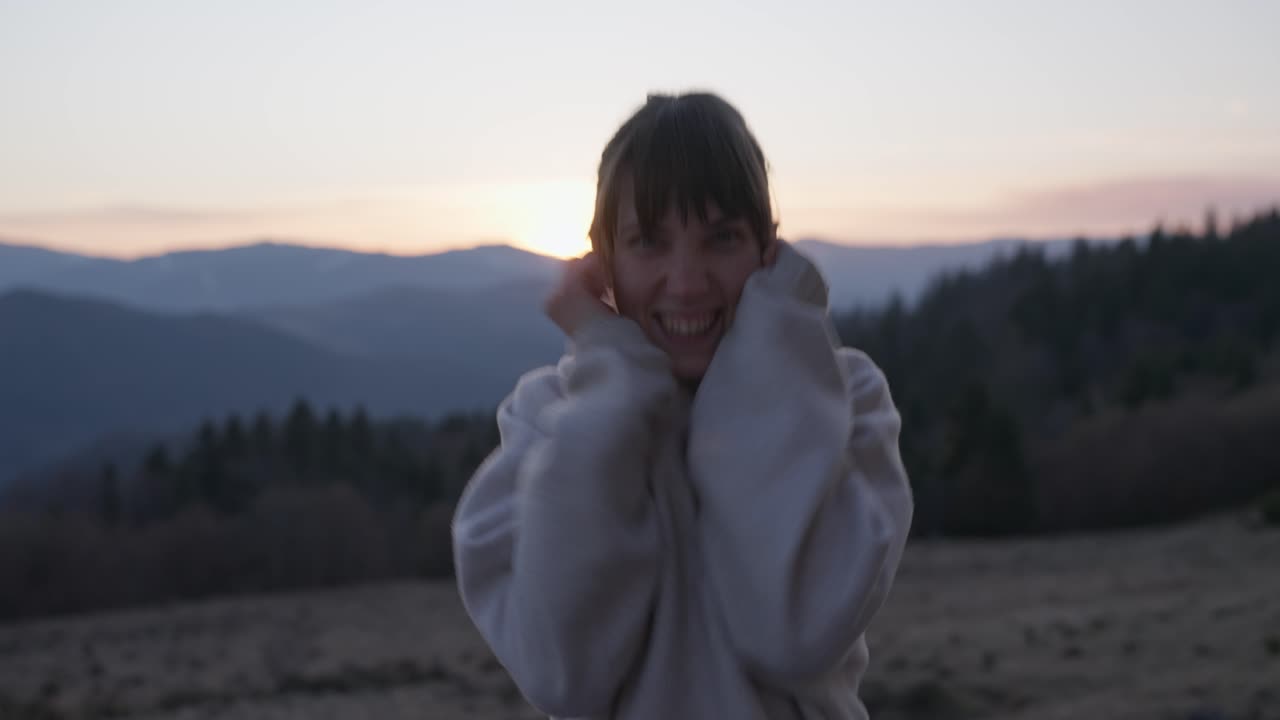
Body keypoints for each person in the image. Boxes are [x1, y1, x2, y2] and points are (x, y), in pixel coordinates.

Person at [451, 91, 914, 719]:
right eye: (649, 242)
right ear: (604, 261)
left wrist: (769, 354)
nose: (688, 281)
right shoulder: (549, 420)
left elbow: (793, 634)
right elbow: (564, 674)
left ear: (767, 250)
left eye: (721, 238)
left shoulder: (846, 401)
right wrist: (613, 400)